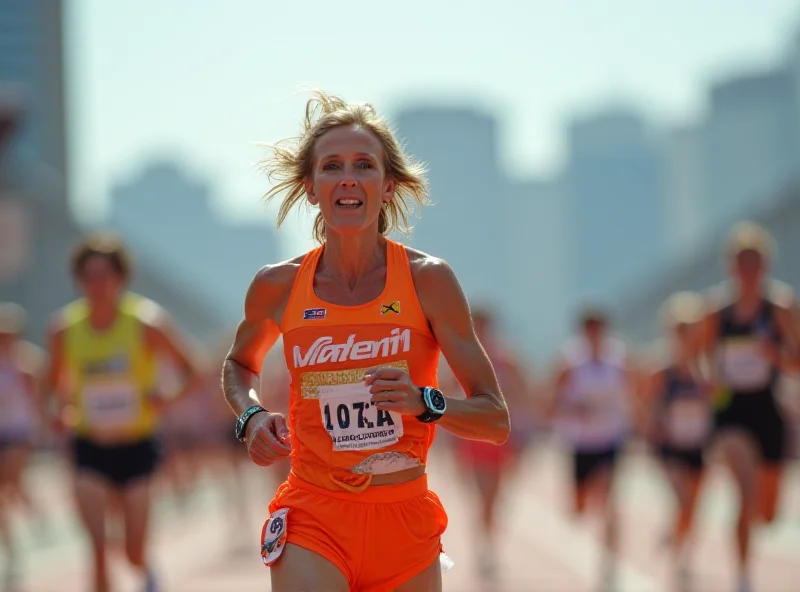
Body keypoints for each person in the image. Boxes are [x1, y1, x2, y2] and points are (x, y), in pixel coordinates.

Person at [222, 90, 511, 592]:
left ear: (388, 185)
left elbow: (495, 420)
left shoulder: (428, 280)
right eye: (332, 166)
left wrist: (425, 402)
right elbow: (238, 366)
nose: (348, 177)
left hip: (403, 519)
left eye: (364, 165)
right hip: (314, 513)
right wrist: (249, 416)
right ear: (312, 188)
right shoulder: (278, 284)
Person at [40, 232, 201, 592]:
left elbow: (193, 369)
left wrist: (166, 398)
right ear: (78, 280)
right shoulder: (64, 331)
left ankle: (146, 572)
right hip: (90, 447)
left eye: (104, 276)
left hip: (137, 448)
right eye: (89, 277)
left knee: (132, 551)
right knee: (96, 549)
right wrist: (55, 412)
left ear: (120, 279)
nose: (97, 285)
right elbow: (49, 387)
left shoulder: (146, 323)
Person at [697, 222, 800, 592]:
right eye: (741, 263)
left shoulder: (781, 307)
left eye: (755, 263)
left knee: (768, 514)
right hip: (731, 410)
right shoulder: (716, 311)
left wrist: (777, 355)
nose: (748, 271)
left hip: (768, 408)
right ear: (730, 267)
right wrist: (710, 381)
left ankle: (758, 522)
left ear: (766, 266)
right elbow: (701, 358)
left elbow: (798, 359)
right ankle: (742, 576)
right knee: (745, 492)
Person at [439, 307, 531, 580]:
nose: (481, 331)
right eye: (476, 325)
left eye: (484, 326)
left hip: (499, 439)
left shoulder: (505, 359)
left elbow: (520, 393)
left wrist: (521, 430)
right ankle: (485, 545)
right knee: (481, 495)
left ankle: (488, 542)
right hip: (470, 438)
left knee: (493, 496)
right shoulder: (460, 357)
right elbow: (442, 392)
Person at [550, 307, 637, 592]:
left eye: (598, 328)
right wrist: (574, 409)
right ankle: (581, 506)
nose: (594, 333)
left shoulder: (619, 358)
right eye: (589, 328)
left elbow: (635, 393)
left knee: (610, 502)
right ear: (582, 332)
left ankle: (609, 561)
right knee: (579, 507)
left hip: (611, 440)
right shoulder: (570, 362)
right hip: (580, 442)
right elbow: (553, 401)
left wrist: (641, 423)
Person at [641, 291, 711, 584]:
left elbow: (720, 403)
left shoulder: (707, 370)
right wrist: (655, 424)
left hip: (698, 446)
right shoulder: (662, 371)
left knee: (692, 509)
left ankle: (681, 552)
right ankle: (675, 554)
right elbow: (645, 405)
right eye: (679, 330)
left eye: (689, 330)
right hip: (669, 447)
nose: (684, 336)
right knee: (683, 502)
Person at [0, 303, 44, 588]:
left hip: (20, 433)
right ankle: (12, 548)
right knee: (3, 495)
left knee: (9, 480)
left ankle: (33, 510)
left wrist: (41, 432)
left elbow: (39, 399)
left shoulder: (27, 363)